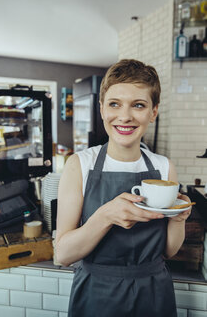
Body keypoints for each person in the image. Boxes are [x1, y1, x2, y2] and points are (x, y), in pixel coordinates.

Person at [56, 59, 191, 317]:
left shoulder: (164, 167)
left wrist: (179, 219)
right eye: (114, 104)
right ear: (102, 109)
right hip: (96, 294)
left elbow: (168, 251)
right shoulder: (80, 165)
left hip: (155, 293)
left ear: (153, 112)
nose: (125, 116)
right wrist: (106, 216)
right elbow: (63, 254)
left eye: (138, 105)